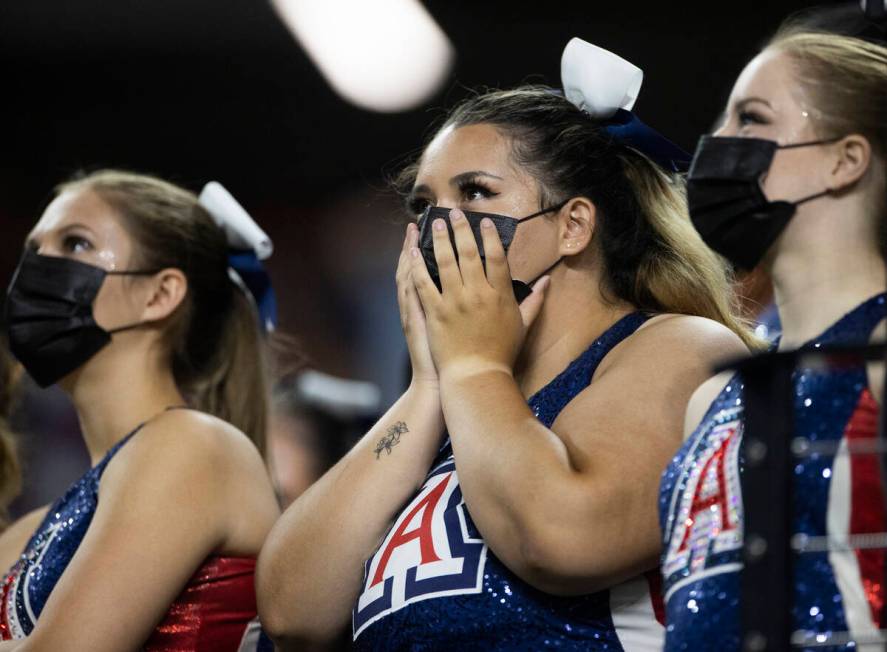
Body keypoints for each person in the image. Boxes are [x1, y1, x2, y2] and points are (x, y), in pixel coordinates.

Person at [257, 40, 755, 650]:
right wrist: (429, 387)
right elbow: (292, 612)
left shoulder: (675, 346)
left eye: (475, 193)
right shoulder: (455, 406)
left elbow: (564, 538)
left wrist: (469, 366)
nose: (440, 225)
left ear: (573, 225)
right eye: (423, 204)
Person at [659, 24, 887, 651]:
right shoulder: (714, 399)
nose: (718, 144)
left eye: (751, 119)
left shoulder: (880, 353)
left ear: (845, 159)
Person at [0, 170, 280, 650]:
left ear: (160, 294)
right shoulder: (28, 532)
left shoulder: (193, 446)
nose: (38, 266)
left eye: (75, 243)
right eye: (33, 249)